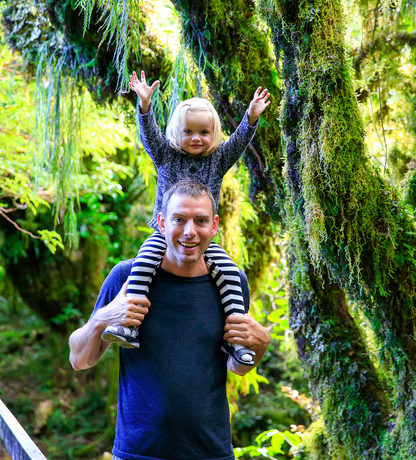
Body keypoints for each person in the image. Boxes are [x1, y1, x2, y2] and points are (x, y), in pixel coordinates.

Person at [69, 180, 271, 460]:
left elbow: (236, 368)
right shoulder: (127, 277)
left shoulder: (232, 283)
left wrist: (259, 346)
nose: (190, 232)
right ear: (162, 223)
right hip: (137, 453)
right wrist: (104, 318)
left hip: (211, 452)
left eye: (200, 221)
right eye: (179, 219)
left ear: (213, 226)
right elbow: (79, 360)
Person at [101, 70, 271, 366]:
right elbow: (149, 136)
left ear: (213, 134)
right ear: (177, 134)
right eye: (189, 132)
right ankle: (129, 327)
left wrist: (251, 117)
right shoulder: (167, 156)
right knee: (142, 265)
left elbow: (239, 142)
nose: (196, 138)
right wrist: (144, 106)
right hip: (163, 236)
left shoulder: (217, 161)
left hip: (203, 243)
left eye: (204, 133)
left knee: (230, 273)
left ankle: (236, 341)